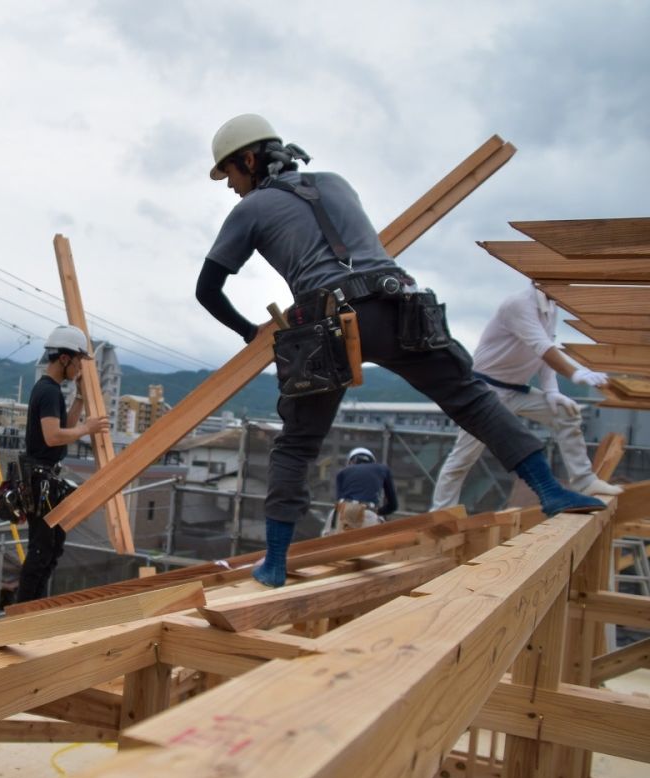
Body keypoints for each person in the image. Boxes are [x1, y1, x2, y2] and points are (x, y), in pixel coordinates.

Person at [194, 113, 605, 589]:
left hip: (325, 319)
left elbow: (208, 290)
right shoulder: (336, 182)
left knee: (298, 443)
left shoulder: (250, 209)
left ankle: (276, 563)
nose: (231, 187)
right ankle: (552, 491)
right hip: (398, 302)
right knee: (471, 398)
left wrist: (250, 332)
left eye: (231, 174)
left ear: (249, 158)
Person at [430, 284, 622, 510]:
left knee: (565, 414)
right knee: (464, 457)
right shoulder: (518, 304)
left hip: (516, 389)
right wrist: (575, 372)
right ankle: (441, 510)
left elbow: (545, 350)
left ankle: (584, 481)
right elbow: (542, 347)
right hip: (486, 391)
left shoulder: (551, 306)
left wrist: (552, 392)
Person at [15, 325, 111, 602]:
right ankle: (22, 614)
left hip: (45, 478)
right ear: (65, 358)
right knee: (41, 550)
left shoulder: (53, 391)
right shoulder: (47, 392)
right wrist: (87, 428)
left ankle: (36, 608)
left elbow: (64, 427)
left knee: (53, 548)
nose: (80, 366)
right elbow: (53, 436)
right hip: (39, 479)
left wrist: (80, 398)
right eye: (79, 360)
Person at [327, 447, 397, 534]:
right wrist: (378, 511)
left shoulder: (342, 473)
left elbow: (339, 501)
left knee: (330, 542)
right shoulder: (383, 469)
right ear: (372, 462)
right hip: (367, 513)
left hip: (341, 513)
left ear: (350, 462)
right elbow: (393, 505)